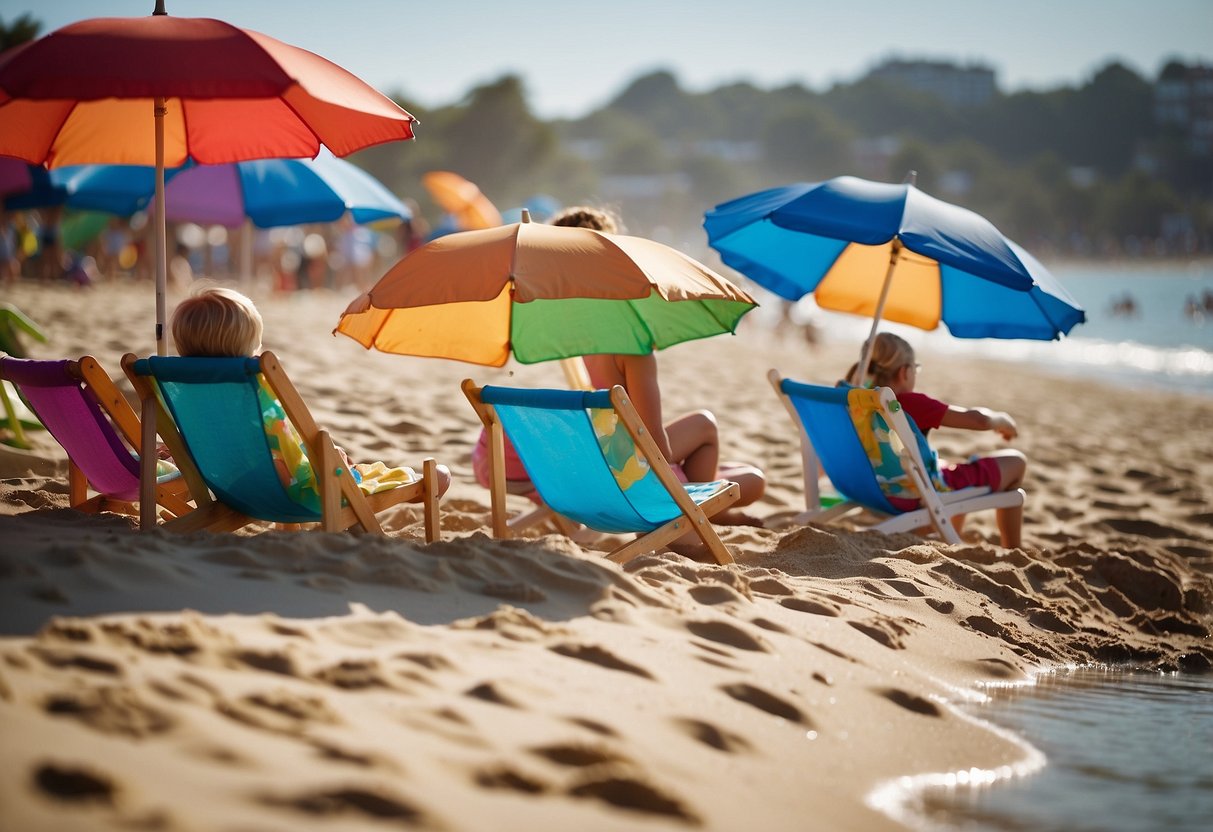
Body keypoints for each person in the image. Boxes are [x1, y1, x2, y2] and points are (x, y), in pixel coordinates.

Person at [471, 206, 766, 529]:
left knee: (734, 468)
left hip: (584, 470)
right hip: (623, 476)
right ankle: (699, 518)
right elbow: (657, 449)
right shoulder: (631, 348)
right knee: (722, 445)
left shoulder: (568, 337)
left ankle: (704, 512)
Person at [171, 285, 450, 509]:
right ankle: (421, 484)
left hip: (231, 490)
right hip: (299, 494)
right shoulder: (254, 388)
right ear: (249, 350)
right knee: (438, 477)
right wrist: (327, 457)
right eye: (256, 345)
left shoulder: (184, 391)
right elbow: (288, 459)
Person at [845, 332, 1026, 548]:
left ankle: (949, 536)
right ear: (904, 372)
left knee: (947, 466)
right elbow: (978, 420)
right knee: (1016, 462)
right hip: (912, 494)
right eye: (915, 368)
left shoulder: (854, 400)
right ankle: (1013, 549)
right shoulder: (907, 404)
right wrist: (1003, 420)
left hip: (873, 487)